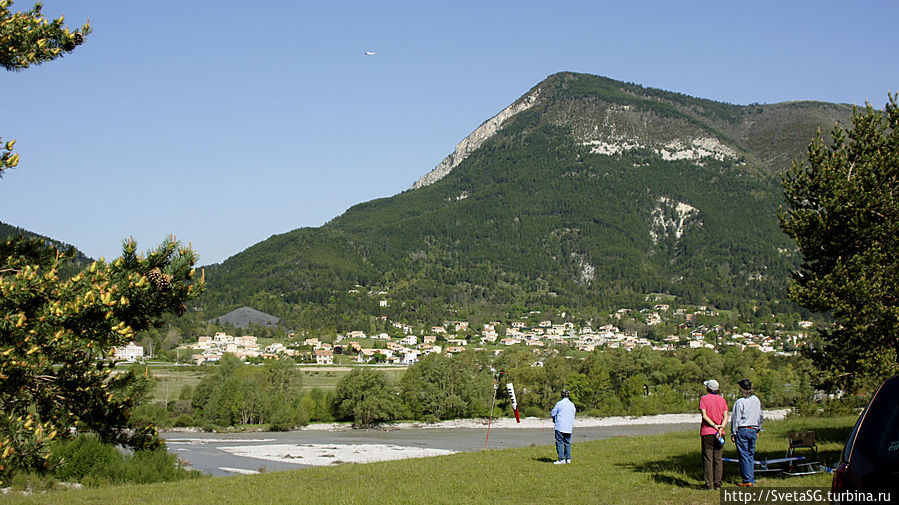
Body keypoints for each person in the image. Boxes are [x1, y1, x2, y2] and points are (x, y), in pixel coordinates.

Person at [731, 378, 763, 486]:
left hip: (743, 429)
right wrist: (758, 428)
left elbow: (736, 419)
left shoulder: (739, 402)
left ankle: (747, 479)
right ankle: (751, 478)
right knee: (750, 454)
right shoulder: (756, 400)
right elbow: (760, 416)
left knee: (743, 455)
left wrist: (733, 432)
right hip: (753, 429)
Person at [699, 379, 728, 490]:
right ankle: (718, 484)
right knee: (718, 459)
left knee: (708, 459)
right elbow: (725, 416)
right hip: (719, 433)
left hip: (707, 432)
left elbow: (704, 415)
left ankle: (709, 484)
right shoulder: (722, 400)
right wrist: (721, 427)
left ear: (708, 388)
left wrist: (714, 426)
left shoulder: (704, 399)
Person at [550, 388, 576, 464]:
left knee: (559, 442)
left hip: (560, 426)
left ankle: (561, 459)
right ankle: (568, 458)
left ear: (562, 395)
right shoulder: (572, 405)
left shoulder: (559, 403)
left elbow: (553, 413)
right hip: (569, 426)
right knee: (567, 442)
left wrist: (554, 418)